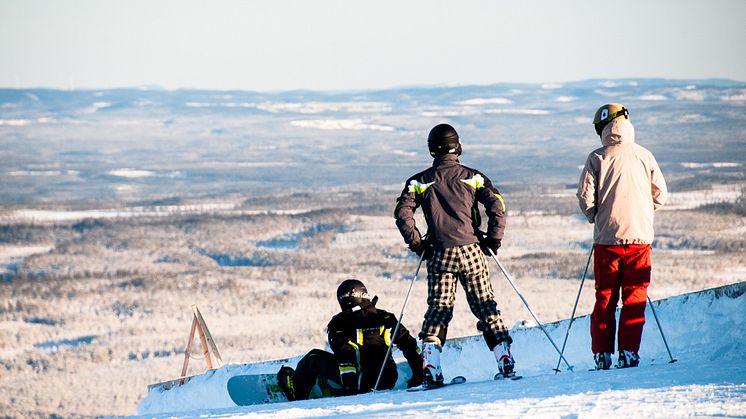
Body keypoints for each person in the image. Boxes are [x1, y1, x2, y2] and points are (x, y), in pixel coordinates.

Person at [394, 123, 515, 386]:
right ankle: (504, 357)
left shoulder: (419, 181)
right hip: (472, 249)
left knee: (439, 309)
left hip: (439, 253)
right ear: (457, 146)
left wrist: (418, 244)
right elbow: (498, 205)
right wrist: (493, 240)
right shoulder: (473, 176)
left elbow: (402, 214)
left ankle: (431, 366)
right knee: (485, 305)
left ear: (431, 149)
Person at [577, 103, 668, 370]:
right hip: (640, 240)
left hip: (607, 241)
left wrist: (599, 217)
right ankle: (629, 352)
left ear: (603, 128)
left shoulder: (597, 157)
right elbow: (660, 194)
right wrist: (641, 212)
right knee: (635, 295)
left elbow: (585, 199)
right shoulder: (645, 156)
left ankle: (602, 354)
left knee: (605, 297)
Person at [276, 279, 424, 400]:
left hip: (359, 383)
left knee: (313, 357)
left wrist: (351, 390)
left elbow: (345, 357)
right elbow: (410, 345)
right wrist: (419, 375)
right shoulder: (386, 317)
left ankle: (296, 392)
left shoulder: (339, 324)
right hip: (388, 379)